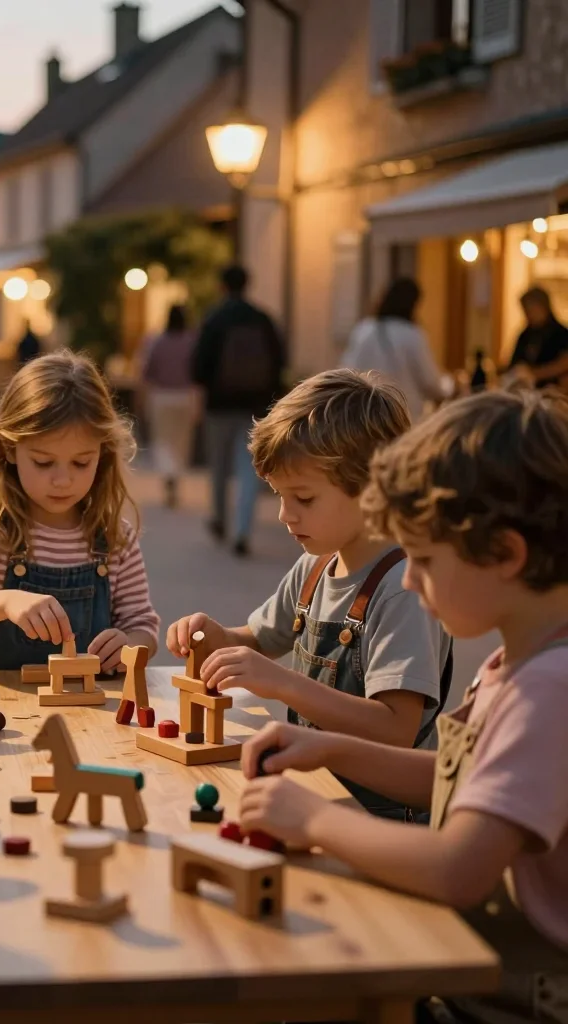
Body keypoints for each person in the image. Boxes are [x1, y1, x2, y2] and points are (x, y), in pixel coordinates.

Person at [238, 388, 568, 1022]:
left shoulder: (548, 687)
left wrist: (314, 821)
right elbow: (458, 779)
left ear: (504, 553)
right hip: (477, 972)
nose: (409, 580)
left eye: (421, 559)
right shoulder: (519, 661)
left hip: (513, 1003)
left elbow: (456, 871)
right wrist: (328, 747)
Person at [166, 369, 452, 819]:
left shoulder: (403, 590)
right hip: (316, 792)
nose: (283, 514)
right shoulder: (316, 565)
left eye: (303, 498)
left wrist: (283, 683)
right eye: (279, 495)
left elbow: (396, 728)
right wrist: (215, 635)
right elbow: (260, 639)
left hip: (384, 818)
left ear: (373, 489)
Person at [0, 350, 160, 673]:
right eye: (43, 462)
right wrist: (7, 602)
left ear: (103, 453)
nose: (62, 480)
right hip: (3, 716)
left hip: (93, 714)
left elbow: (144, 626)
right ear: (10, 449)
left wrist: (129, 644)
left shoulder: (114, 536)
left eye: (81, 462)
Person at [191, 264, 285, 557]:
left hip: (219, 405)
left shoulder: (214, 318)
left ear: (222, 285)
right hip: (255, 406)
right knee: (249, 469)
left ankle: (220, 518)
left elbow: (198, 366)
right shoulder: (263, 319)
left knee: (219, 466)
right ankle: (243, 530)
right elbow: (279, 362)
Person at [342, 277, 448, 421]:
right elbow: (430, 382)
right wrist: (448, 388)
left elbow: (347, 371)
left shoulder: (364, 330)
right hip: (402, 415)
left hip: (364, 415)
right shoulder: (412, 334)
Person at [141, 304, 199, 508]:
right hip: (185, 395)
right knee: (181, 441)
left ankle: (169, 475)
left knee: (163, 439)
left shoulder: (157, 341)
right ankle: (175, 475)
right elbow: (198, 373)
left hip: (162, 396)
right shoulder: (192, 342)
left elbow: (146, 371)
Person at [506, 285, 568, 388]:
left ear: (543, 307)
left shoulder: (561, 333)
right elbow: (515, 363)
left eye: (531, 309)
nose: (528, 315)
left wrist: (536, 374)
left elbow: (564, 364)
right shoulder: (525, 335)